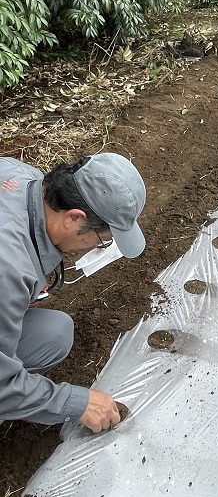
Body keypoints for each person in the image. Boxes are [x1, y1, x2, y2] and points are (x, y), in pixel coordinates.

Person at [0, 152, 146, 432]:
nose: (99, 246)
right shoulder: (8, 266)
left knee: (54, 334)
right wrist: (77, 404)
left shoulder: (20, 175)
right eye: (104, 239)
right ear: (74, 218)